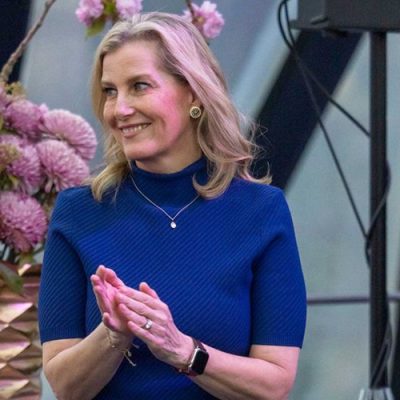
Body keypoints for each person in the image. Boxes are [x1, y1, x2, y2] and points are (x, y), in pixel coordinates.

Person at [38, 11, 306, 400]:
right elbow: (64, 386)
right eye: (110, 91)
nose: (119, 109)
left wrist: (183, 351)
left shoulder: (261, 212)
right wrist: (113, 335)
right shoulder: (78, 212)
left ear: (193, 93)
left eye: (139, 86)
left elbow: (275, 383)